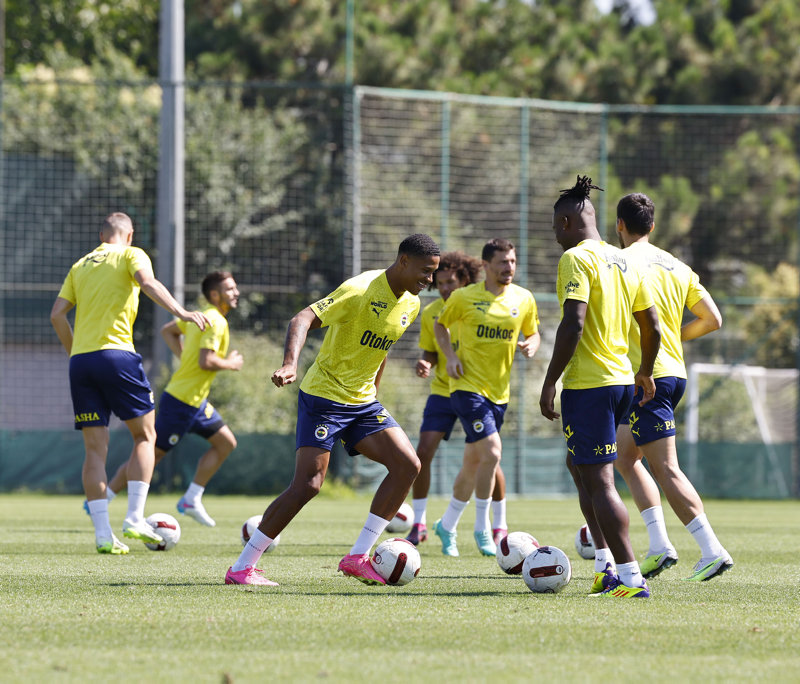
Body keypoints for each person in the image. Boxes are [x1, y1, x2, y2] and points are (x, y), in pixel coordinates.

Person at [225, 234, 441, 586]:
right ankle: (241, 568)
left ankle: (357, 556)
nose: (429, 280)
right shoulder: (359, 290)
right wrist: (290, 364)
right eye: (424, 271)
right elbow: (302, 318)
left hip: (363, 402)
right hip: (324, 397)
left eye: (433, 273)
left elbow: (380, 349)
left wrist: (373, 390)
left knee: (408, 465)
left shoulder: (411, 304)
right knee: (308, 484)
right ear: (403, 261)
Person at [50, 212, 209, 554]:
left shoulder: (80, 265)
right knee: (145, 435)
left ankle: (103, 536)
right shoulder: (130, 254)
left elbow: (57, 314)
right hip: (116, 356)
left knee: (94, 451)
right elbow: (148, 282)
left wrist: (74, 352)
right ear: (130, 235)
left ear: (101, 234)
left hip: (82, 362)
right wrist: (181, 313)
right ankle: (135, 517)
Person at [539, 176, 661, 598]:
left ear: (570, 221)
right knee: (581, 468)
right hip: (622, 382)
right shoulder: (627, 260)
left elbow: (573, 322)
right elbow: (653, 324)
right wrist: (644, 370)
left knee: (601, 481)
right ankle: (607, 565)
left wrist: (549, 380)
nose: (555, 235)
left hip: (589, 385)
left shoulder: (577, 259)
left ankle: (629, 578)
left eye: (556, 226)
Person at [613, 193, 732, 582]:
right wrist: (676, 340)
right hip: (672, 373)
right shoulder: (677, 266)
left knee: (665, 468)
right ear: (652, 226)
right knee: (625, 458)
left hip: (646, 377)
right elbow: (712, 318)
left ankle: (712, 550)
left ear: (620, 226)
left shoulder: (622, 261)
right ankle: (660, 545)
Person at [105, 271, 243, 528]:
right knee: (150, 456)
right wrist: (231, 363)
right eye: (230, 289)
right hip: (181, 402)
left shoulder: (200, 316)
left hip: (196, 402)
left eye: (235, 288)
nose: (236, 293)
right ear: (215, 295)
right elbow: (206, 361)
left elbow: (167, 331)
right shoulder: (217, 321)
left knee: (225, 443)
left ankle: (191, 499)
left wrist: (185, 358)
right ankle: (105, 497)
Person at [432, 239, 540, 558]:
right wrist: (449, 356)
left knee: (473, 463)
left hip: (499, 393)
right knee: (492, 451)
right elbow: (441, 326)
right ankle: (482, 528)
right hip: (466, 388)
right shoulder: (464, 297)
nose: (509, 267)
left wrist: (532, 343)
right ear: (486, 266)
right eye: (503, 262)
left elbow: (532, 332)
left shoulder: (524, 298)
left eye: (513, 261)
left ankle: (447, 524)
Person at [408, 251, 511, 546]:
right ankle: (418, 524)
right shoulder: (431, 313)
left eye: (449, 281)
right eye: (439, 283)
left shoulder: (478, 304)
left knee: (489, 456)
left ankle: (499, 525)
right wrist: (425, 362)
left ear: (464, 279)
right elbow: (430, 347)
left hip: (476, 391)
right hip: (443, 391)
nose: (443, 288)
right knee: (423, 453)